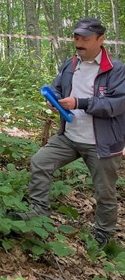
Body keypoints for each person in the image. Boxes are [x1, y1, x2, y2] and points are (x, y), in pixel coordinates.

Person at [10, 18, 125, 249]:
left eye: (85, 39)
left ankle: (102, 236)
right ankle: (38, 213)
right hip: (69, 136)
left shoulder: (116, 69)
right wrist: (54, 99)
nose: (79, 43)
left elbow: (117, 104)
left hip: (101, 142)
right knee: (40, 162)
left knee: (105, 192)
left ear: (101, 40)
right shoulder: (70, 64)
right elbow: (57, 87)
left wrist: (79, 102)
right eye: (76, 38)